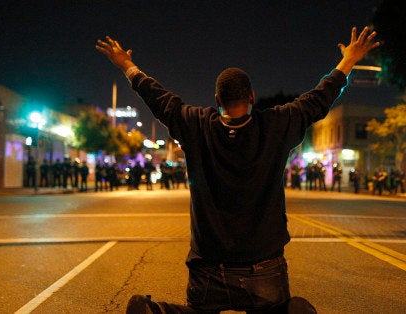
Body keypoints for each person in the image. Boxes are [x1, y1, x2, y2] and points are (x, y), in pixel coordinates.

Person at [97, 25, 379, 313]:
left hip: (208, 264)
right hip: (264, 265)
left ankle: (158, 312)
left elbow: (158, 98)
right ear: (252, 97)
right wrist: (349, 60)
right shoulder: (277, 125)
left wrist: (126, 64)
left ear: (217, 100)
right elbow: (319, 98)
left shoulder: (195, 124)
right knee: (284, 308)